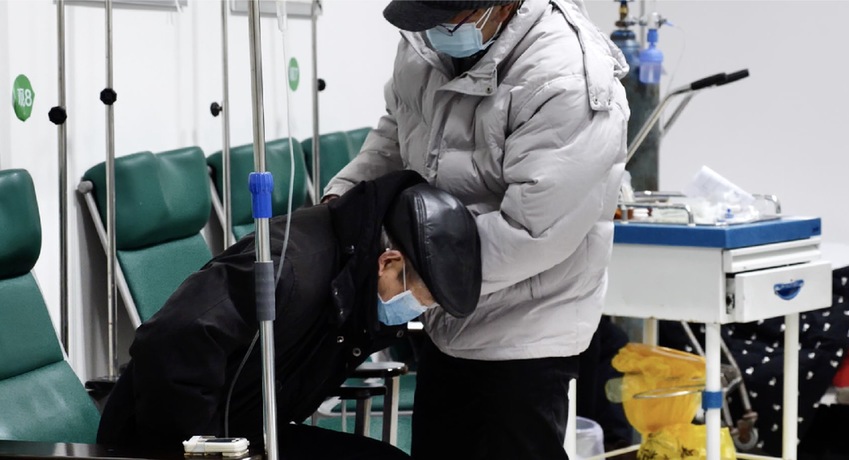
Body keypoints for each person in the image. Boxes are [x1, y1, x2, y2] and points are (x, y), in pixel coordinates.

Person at [322, 1, 630, 458]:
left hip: (524, 334)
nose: (433, 29)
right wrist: (340, 205)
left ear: (501, 5)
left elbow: (534, 231)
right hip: (447, 319)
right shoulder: (425, 42)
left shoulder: (564, 77)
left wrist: (417, 281)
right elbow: (394, 136)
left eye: (448, 18)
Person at [96, 170, 482, 460]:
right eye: (423, 299)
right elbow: (171, 339)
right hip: (168, 443)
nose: (420, 311)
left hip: (251, 430)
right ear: (389, 262)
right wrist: (209, 448)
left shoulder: (353, 279)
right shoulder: (289, 269)